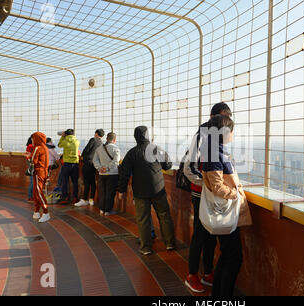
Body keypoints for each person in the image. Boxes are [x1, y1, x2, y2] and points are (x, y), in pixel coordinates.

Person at [183, 102, 232, 293]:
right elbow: (190, 166)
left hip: (213, 194)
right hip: (200, 193)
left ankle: (208, 273)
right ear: (213, 117)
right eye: (223, 117)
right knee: (200, 233)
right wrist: (207, 185)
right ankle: (192, 275)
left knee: (212, 234)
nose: (225, 122)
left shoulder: (219, 136)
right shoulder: (202, 134)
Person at [201, 115, 252, 296]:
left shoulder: (213, 150)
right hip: (226, 211)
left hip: (225, 212)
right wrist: (235, 194)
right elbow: (216, 185)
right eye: (231, 130)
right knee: (234, 257)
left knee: (227, 255)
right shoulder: (214, 153)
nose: (233, 134)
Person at [118, 126, 176, 256]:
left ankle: (146, 248)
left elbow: (124, 173)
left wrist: (121, 190)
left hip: (140, 192)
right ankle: (170, 243)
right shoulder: (157, 149)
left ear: (136, 137)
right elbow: (168, 165)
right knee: (164, 215)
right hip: (158, 189)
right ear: (148, 135)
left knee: (143, 219)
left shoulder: (132, 153)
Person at [93, 132, 120, 216]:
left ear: (106, 138)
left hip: (101, 174)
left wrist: (100, 168)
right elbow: (116, 162)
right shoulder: (116, 149)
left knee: (102, 192)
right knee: (110, 192)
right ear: (114, 140)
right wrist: (107, 168)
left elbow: (95, 160)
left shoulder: (99, 148)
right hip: (112, 174)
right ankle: (108, 210)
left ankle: (102, 209)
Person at [75, 129, 104, 207]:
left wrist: (83, 157)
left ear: (96, 134)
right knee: (93, 182)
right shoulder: (101, 143)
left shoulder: (93, 139)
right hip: (95, 164)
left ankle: (84, 199)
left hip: (88, 163)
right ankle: (91, 199)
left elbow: (86, 150)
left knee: (87, 182)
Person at [31, 132, 51, 223]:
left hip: (38, 172)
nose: (32, 140)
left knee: (38, 192)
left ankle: (46, 212)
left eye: (33, 138)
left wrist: (28, 156)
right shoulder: (45, 148)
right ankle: (36, 212)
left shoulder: (38, 148)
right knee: (36, 191)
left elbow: (33, 161)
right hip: (45, 172)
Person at [58, 129, 80, 205]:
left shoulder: (65, 142)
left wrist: (62, 136)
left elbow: (59, 145)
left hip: (67, 164)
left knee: (65, 181)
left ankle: (65, 197)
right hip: (75, 164)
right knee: (75, 182)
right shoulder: (77, 141)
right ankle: (75, 197)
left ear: (66, 134)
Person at [25, 136, 34, 202]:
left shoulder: (28, 146)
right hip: (33, 164)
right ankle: (30, 196)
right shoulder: (31, 146)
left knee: (32, 181)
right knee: (33, 181)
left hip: (30, 163)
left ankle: (30, 196)